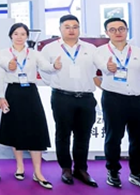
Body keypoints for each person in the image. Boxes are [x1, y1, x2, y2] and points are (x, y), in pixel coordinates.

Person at [96, 18, 140, 192]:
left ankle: (137, 173)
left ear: (127, 30)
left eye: (121, 28)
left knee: (139, 140)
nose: (118, 32)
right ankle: (113, 171)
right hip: (113, 99)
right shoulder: (100, 51)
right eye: (112, 30)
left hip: (137, 99)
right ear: (107, 33)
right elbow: (102, 67)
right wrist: (108, 68)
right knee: (113, 138)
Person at [38, 15, 102, 187]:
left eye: (75, 26)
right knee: (63, 134)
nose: (71, 30)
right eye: (67, 27)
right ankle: (65, 168)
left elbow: (100, 68)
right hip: (62, 97)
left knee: (83, 135)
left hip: (86, 98)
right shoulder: (50, 48)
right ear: (60, 29)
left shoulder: (90, 48)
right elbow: (43, 69)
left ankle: (81, 169)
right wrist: (54, 81)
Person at [0, 23, 52, 189]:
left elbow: (46, 67)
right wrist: (0, 96)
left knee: (36, 131)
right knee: (16, 130)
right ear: (11, 36)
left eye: (23, 34)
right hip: (12, 92)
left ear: (27, 36)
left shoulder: (34, 54)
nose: (19, 37)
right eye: (16, 34)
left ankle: (38, 172)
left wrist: (54, 66)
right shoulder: (3, 54)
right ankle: (20, 166)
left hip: (30, 93)